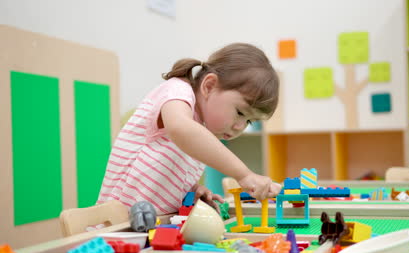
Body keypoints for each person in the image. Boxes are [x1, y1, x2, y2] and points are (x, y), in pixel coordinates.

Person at [97, 43, 282, 214]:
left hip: (150, 231)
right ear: (209, 86)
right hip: (114, 228)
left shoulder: (201, 132)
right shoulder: (177, 91)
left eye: (249, 121)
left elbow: (165, 172)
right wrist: (244, 174)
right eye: (240, 113)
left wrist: (191, 192)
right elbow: (180, 129)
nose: (240, 127)